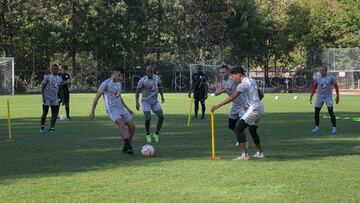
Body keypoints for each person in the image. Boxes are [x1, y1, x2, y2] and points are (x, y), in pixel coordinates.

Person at [211, 67, 264, 160]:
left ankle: (245, 155)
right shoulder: (252, 80)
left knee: (238, 129)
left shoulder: (243, 84)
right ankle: (259, 153)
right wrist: (254, 102)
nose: (233, 78)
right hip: (260, 107)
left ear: (239, 75)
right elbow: (261, 94)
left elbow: (232, 96)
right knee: (252, 130)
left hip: (253, 109)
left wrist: (218, 105)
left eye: (234, 76)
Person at [89, 66, 135, 154]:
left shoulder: (119, 83)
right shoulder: (105, 83)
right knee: (121, 124)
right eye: (119, 75)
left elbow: (119, 97)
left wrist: (128, 109)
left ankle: (126, 145)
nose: (121, 78)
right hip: (112, 109)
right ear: (114, 73)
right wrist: (92, 111)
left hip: (121, 109)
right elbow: (96, 98)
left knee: (132, 126)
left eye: (122, 76)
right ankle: (128, 145)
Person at [214, 65, 248, 147]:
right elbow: (216, 93)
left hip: (243, 104)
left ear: (228, 72)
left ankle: (244, 141)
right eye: (221, 73)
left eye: (224, 72)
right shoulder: (223, 82)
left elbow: (243, 83)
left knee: (241, 125)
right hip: (235, 105)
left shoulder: (233, 79)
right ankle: (240, 137)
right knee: (231, 125)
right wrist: (224, 89)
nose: (222, 74)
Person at [135, 65, 165, 143]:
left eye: (151, 72)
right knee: (148, 118)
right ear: (146, 72)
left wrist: (162, 96)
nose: (150, 73)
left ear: (153, 71)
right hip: (146, 102)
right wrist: (137, 102)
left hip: (155, 101)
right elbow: (137, 91)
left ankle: (156, 134)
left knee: (161, 117)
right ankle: (148, 134)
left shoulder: (157, 78)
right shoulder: (142, 80)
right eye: (148, 72)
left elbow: (160, 87)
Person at [40, 64, 70, 133]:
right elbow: (42, 88)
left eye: (56, 69)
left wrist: (62, 98)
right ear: (51, 70)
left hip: (55, 98)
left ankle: (52, 127)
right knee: (45, 113)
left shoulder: (59, 78)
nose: (55, 70)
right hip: (47, 97)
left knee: (55, 114)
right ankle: (42, 126)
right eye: (54, 69)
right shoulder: (47, 77)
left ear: (58, 70)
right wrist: (43, 97)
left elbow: (60, 88)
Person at [310, 66, 340, 134]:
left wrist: (337, 95)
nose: (322, 72)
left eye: (323, 70)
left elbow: (336, 86)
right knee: (316, 112)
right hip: (319, 97)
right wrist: (311, 95)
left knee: (330, 112)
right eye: (320, 70)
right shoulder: (317, 77)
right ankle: (317, 127)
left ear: (326, 71)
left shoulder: (331, 78)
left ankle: (334, 128)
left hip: (328, 97)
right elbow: (315, 86)